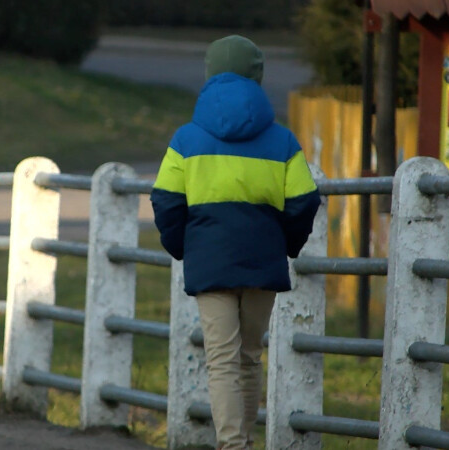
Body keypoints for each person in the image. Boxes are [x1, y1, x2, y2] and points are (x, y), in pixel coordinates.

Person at [149, 35, 321, 450]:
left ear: (210, 73)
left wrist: (182, 246)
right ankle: (245, 441)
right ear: (258, 75)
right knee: (249, 356)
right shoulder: (282, 141)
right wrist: (288, 244)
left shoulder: (185, 140)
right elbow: (303, 200)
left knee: (221, 360)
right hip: (263, 261)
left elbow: (165, 200)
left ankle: (233, 445)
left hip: (210, 261)